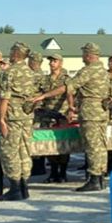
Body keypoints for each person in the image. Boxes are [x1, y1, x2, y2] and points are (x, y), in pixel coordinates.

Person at [33, 43, 110, 192]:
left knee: (92, 145)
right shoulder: (103, 70)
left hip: (90, 111)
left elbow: (68, 87)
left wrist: (44, 95)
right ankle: (99, 177)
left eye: (83, 54)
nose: (82, 57)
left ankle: (94, 179)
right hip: (101, 111)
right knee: (100, 145)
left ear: (88, 55)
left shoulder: (88, 70)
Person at [0, 42, 38, 201]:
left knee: (9, 151)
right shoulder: (30, 72)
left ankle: (14, 188)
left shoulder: (9, 72)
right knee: (25, 150)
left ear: (15, 54)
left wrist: (1, 119)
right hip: (27, 116)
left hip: (12, 116)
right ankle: (24, 187)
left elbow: (4, 97)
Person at [36, 53, 70, 182]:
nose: (51, 63)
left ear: (60, 63)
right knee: (48, 144)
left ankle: (63, 173)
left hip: (62, 114)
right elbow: (39, 95)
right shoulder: (44, 79)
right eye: (50, 61)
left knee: (63, 145)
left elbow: (69, 93)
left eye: (54, 61)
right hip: (47, 115)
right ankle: (53, 172)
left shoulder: (66, 79)